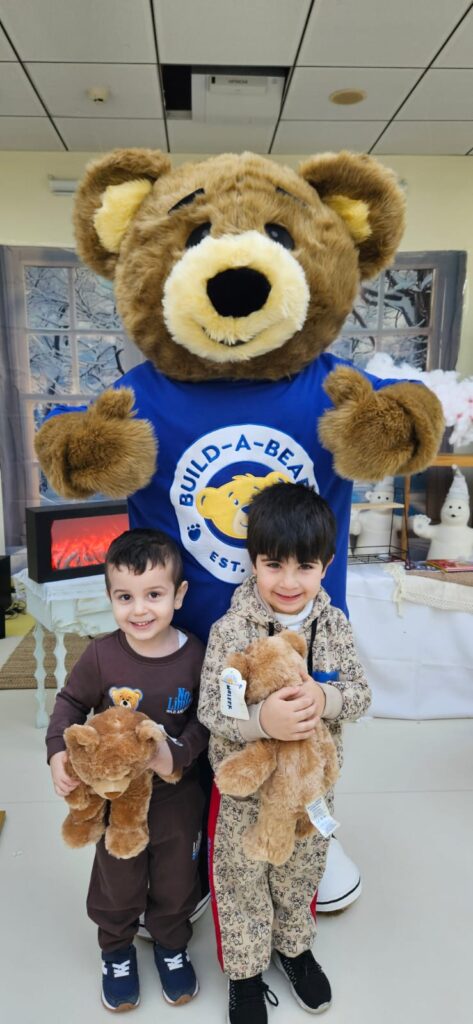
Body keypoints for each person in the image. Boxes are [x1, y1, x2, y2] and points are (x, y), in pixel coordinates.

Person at [198, 483, 371, 1023]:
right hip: (244, 791)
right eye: (274, 565)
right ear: (253, 562)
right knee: (242, 878)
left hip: (311, 789)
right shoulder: (230, 630)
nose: (289, 582)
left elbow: (361, 695)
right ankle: (246, 972)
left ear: (327, 566)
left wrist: (326, 698)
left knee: (301, 871)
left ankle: (295, 948)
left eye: (305, 567)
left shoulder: (334, 626)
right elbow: (210, 708)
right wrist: (260, 723)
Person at [47, 528, 208, 1013]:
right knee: (117, 877)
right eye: (125, 597)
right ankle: (116, 949)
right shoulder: (101, 655)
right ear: (110, 597)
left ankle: (171, 941)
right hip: (117, 800)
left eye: (153, 595)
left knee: (177, 877)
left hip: (178, 796)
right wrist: (57, 752)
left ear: (178, 595)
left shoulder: (195, 654)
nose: (139, 610)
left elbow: (206, 722)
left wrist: (177, 754)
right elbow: (69, 703)